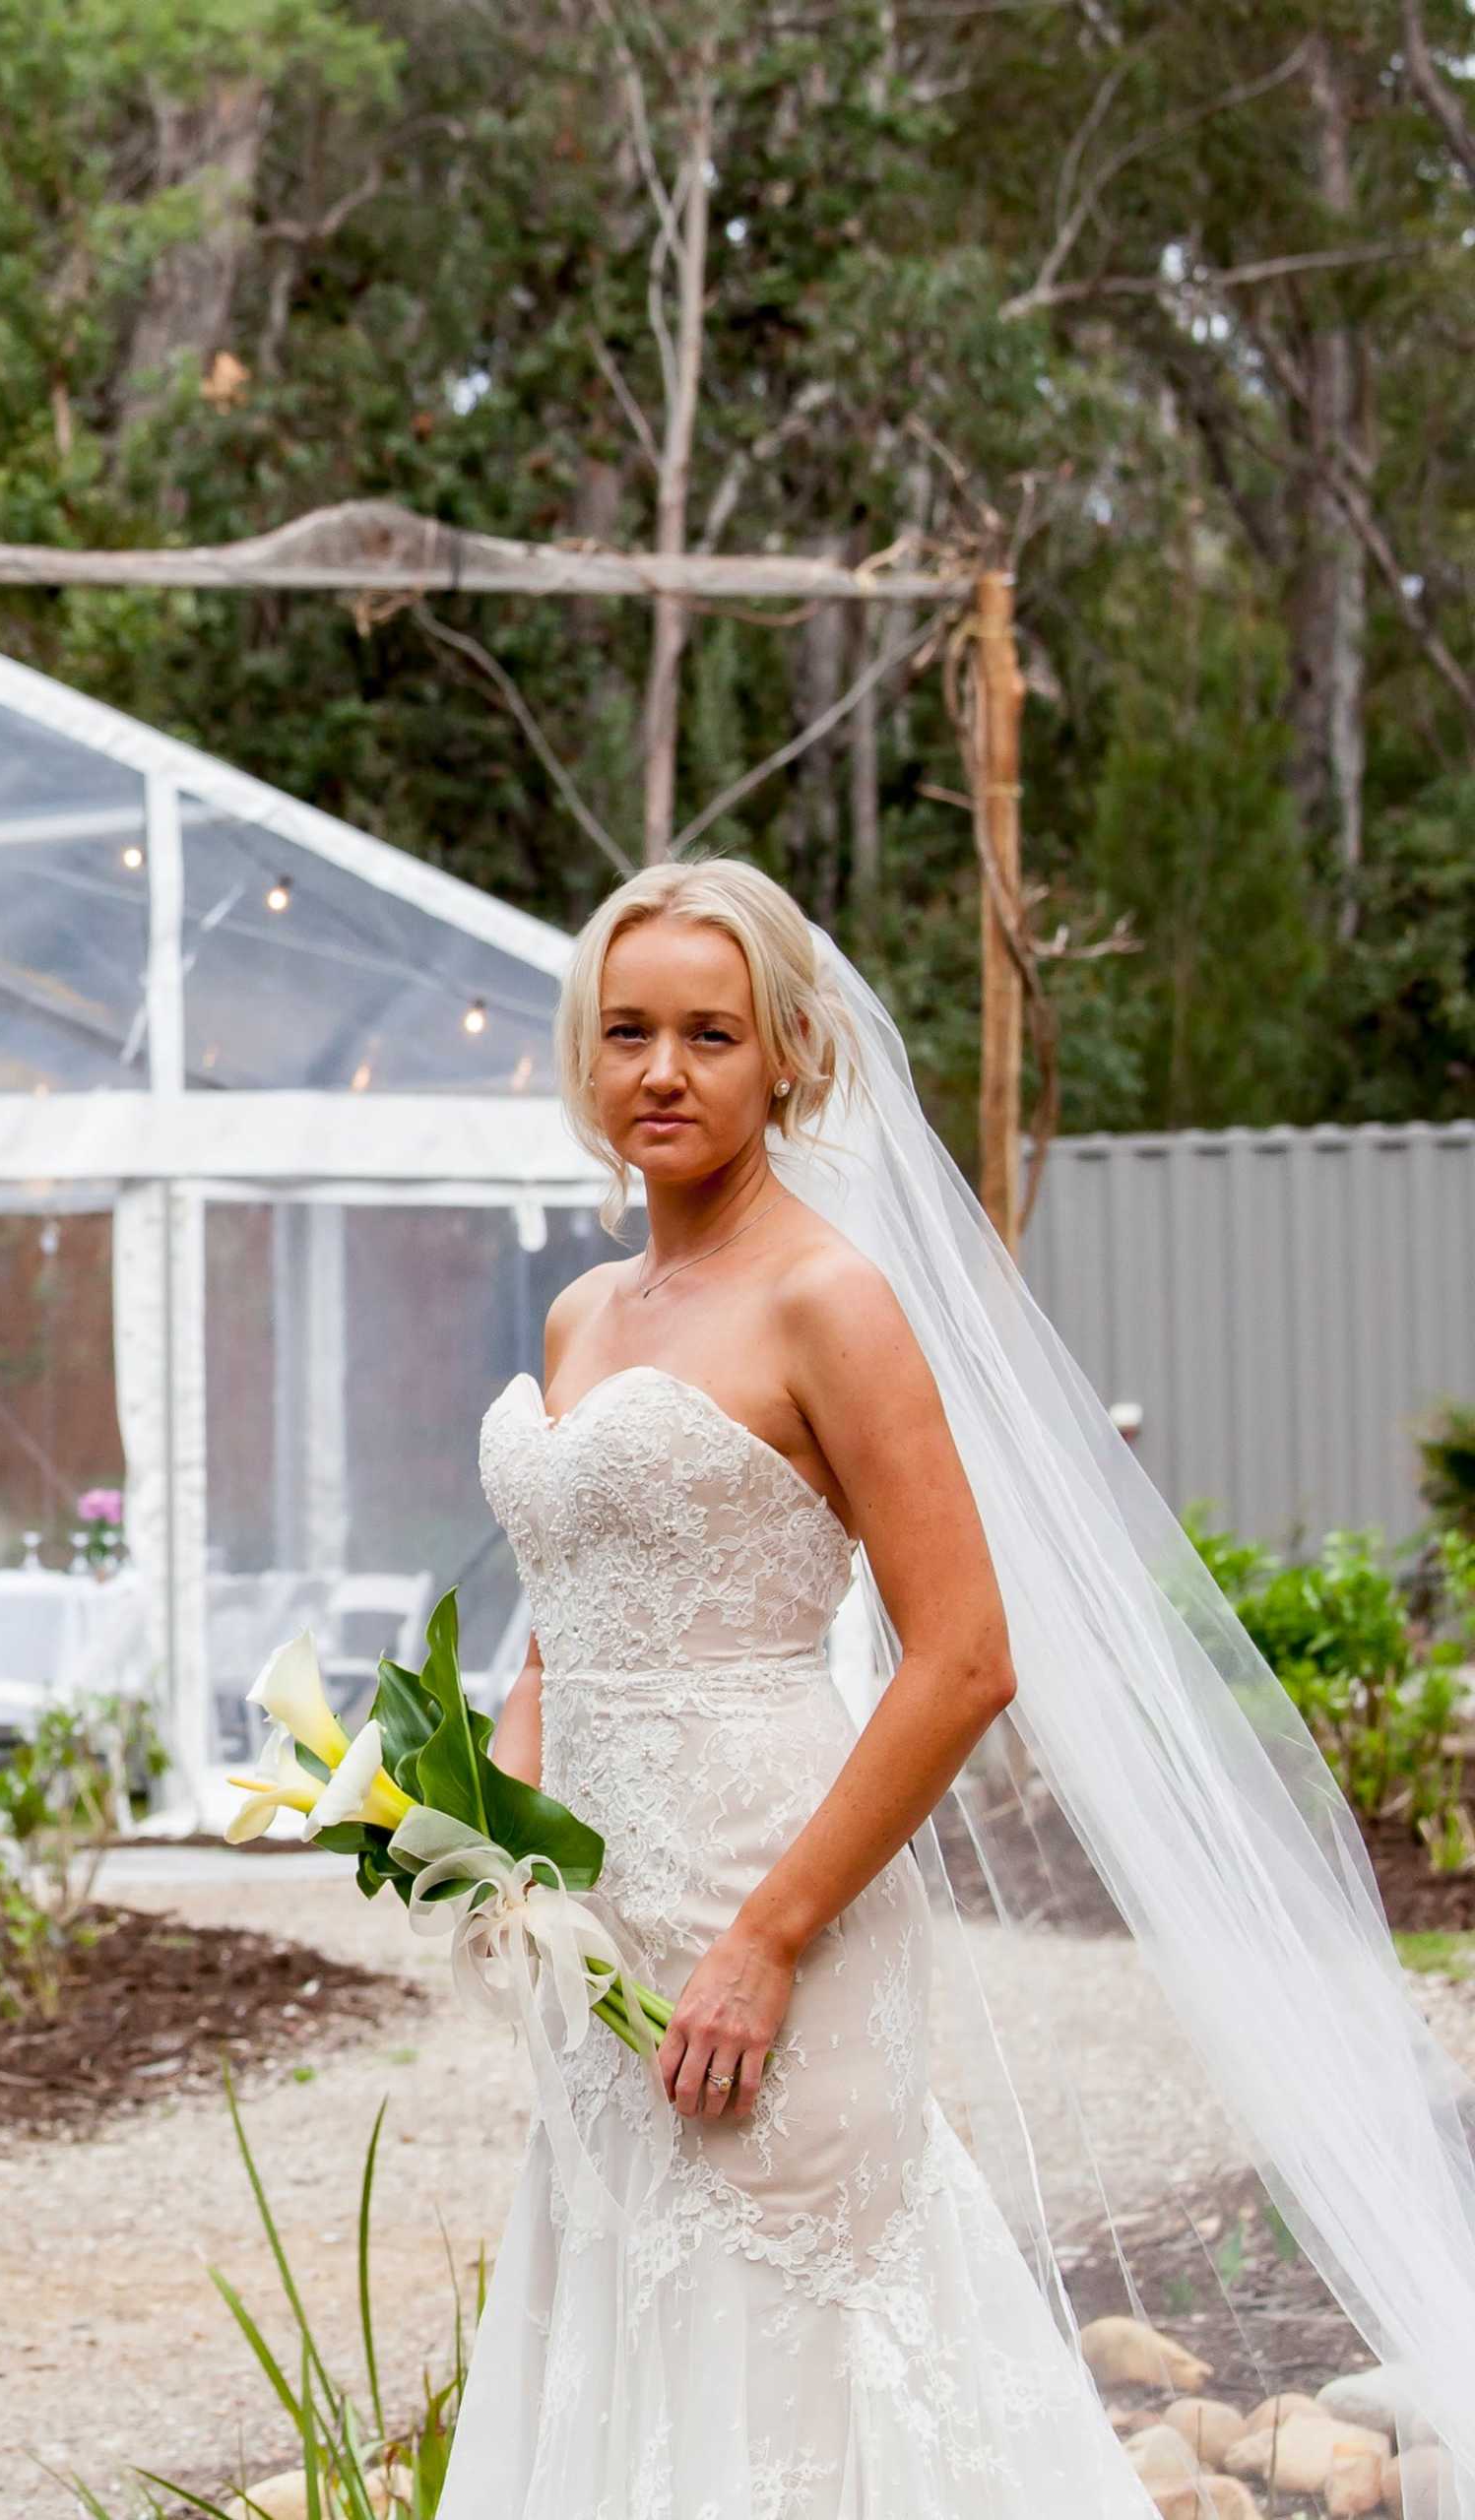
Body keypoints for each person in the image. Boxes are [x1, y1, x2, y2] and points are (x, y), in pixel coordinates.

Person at [442, 859, 1475, 2516]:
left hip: (775, 1899)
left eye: (710, 1034)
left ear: (787, 1054)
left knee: (799, 2348)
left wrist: (769, 1938)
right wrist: (490, 1828)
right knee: (633, 2324)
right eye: (626, 1032)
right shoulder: (582, 1316)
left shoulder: (831, 1297)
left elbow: (969, 1654)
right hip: (605, 1933)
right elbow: (570, 1616)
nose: (661, 1071)